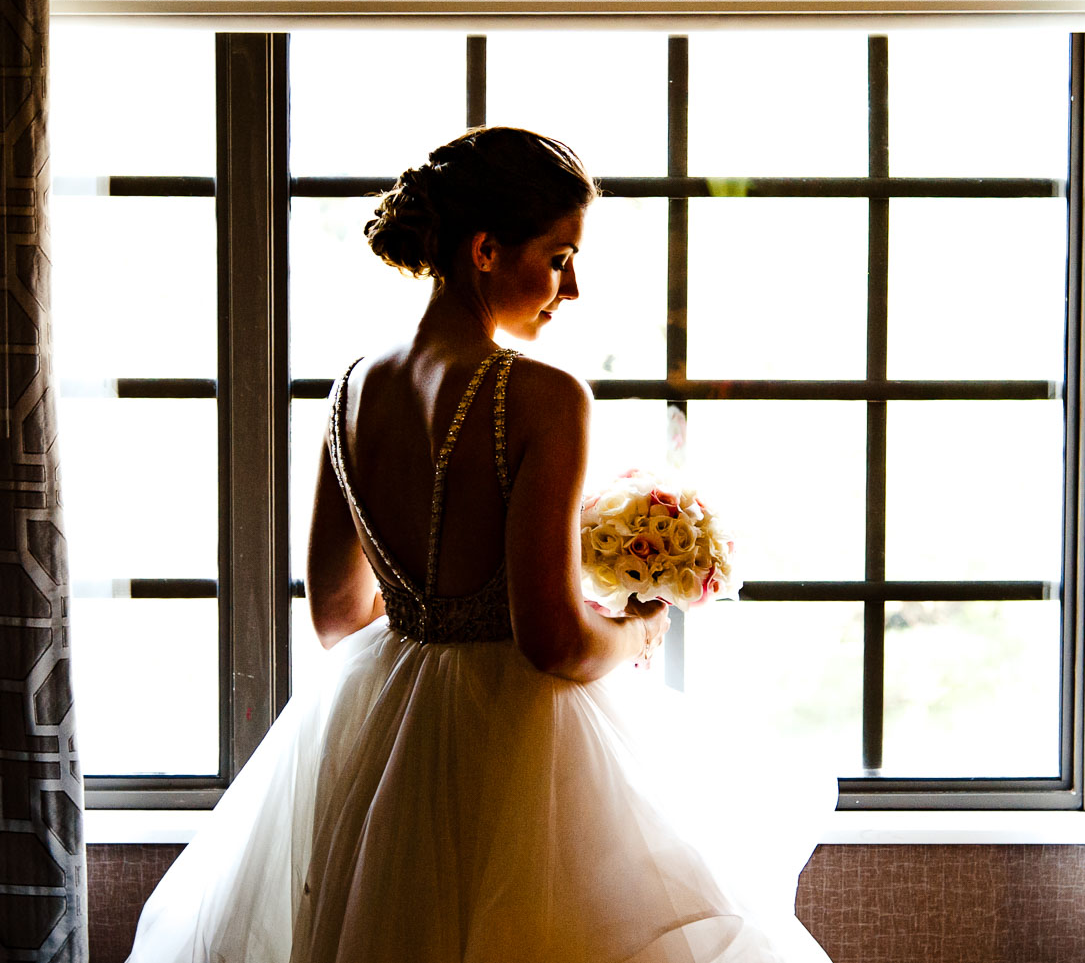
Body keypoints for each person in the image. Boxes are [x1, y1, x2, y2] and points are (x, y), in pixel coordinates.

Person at [126, 127, 834, 962]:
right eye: (561, 256)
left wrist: (439, 611)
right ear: (487, 249)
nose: (572, 289)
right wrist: (636, 628)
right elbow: (554, 641)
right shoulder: (542, 394)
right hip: (522, 755)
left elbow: (337, 616)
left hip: (385, 740)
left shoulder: (351, 389)